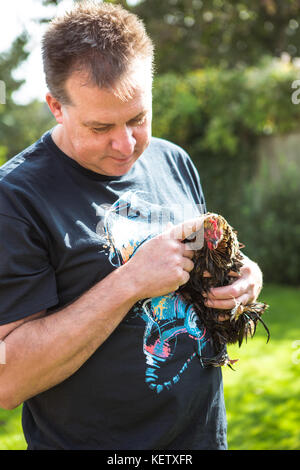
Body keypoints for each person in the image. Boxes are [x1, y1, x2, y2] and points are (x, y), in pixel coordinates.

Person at [0, 1, 263, 450]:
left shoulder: (173, 160)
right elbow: (9, 379)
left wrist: (243, 279)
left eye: (138, 118)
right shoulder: (15, 199)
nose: (126, 144)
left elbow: (199, 268)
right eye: (101, 126)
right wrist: (131, 281)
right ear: (56, 107)